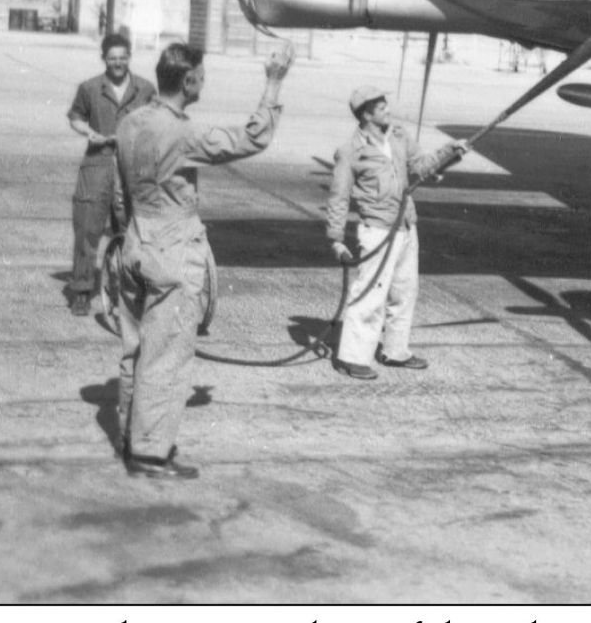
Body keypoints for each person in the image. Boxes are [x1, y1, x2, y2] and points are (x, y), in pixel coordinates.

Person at [113, 41, 294, 479]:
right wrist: (272, 82)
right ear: (189, 80)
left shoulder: (130, 122)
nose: (203, 83)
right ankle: (151, 454)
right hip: (172, 251)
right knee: (167, 355)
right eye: (201, 76)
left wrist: (126, 238)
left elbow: (120, 193)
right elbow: (253, 138)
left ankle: (130, 435)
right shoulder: (183, 132)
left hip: (134, 243)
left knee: (136, 351)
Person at [325, 86, 467, 380]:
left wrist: (450, 153)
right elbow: (338, 197)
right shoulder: (351, 151)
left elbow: (422, 166)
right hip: (377, 230)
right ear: (366, 114)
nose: (388, 109)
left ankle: (395, 350)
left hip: (405, 225)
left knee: (405, 291)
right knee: (370, 294)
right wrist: (336, 239)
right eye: (381, 107)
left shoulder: (399, 136)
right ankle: (352, 357)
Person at [65, 33, 154, 315]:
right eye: (112, 58)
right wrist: (89, 132)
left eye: (123, 57)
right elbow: (75, 116)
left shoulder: (145, 89)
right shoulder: (90, 88)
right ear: (104, 58)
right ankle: (81, 290)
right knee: (87, 228)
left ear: (130, 57)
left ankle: (130, 288)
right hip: (98, 162)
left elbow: (156, 120)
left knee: (132, 228)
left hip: (133, 165)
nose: (118, 62)